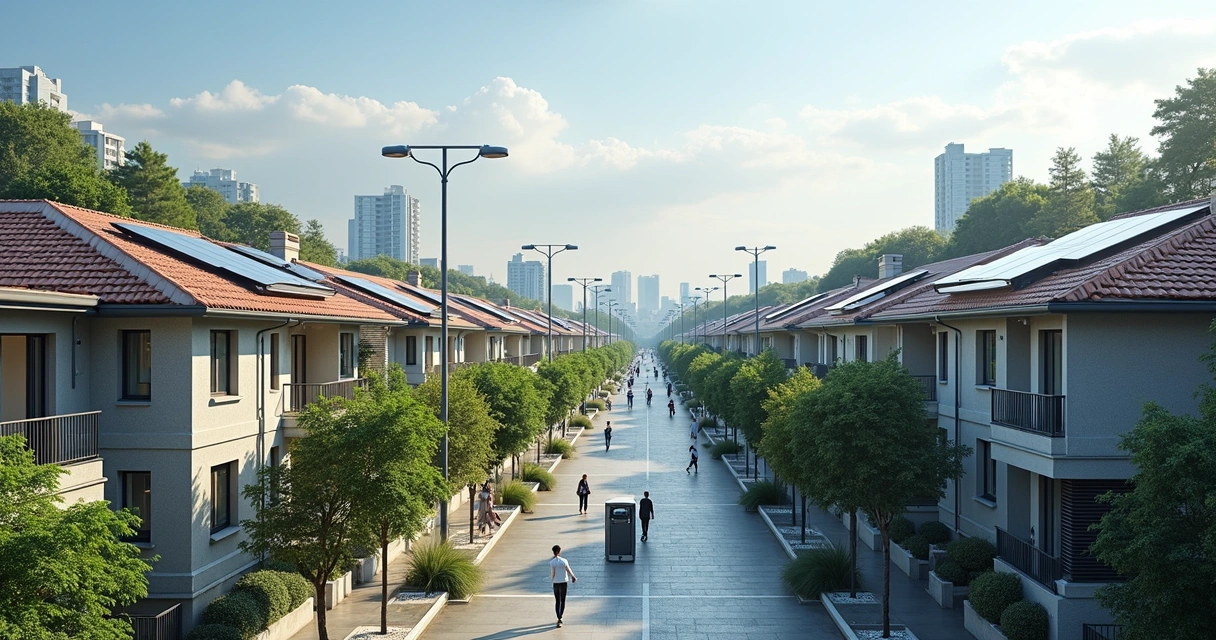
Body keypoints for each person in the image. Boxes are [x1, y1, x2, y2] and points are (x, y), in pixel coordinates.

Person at [550, 545, 578, 628]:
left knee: (557, 601)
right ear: (559, 551)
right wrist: (573, 577)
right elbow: (568, 569)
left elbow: (552, 573)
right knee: (563, 600)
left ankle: (558, 617)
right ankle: (560, 616)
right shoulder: (564, 561)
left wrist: (553, 579)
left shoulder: (552, 562)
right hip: (563, 582)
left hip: (556, 582)